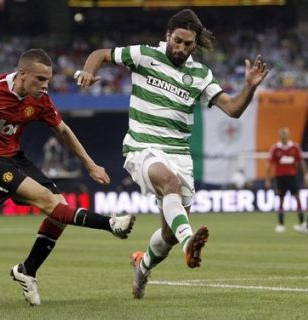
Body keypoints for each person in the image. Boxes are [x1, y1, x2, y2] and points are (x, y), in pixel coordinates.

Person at [75, 9, 268, 299]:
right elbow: (100, 53)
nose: (181, 48)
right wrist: (89, 70)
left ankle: (143, 265)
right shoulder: (144, 55)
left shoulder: (200, 74)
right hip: (143, 147)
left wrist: (249, 88)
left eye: (188, 44)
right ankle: (190, 242)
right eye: (177, 41)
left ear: (194, 44)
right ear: (168, 35)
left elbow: (233, 109)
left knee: (168, 235)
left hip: (179, 154)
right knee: (170, 185)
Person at [0, 48, 135, 306]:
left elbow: (63, 130)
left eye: (48, 79)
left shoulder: (41, 100)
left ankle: (27, 271)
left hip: (15, 157)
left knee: (59, 212)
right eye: (40, 79)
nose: (46, 85)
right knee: (50, 202)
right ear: (22, 75)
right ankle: (110, 224)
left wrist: (90, 164)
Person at [265, 127, 308, 233]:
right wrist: (267, 179)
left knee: (297, 198)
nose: (284, 135)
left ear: (288, 134)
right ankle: (281, 224)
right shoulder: (275, 148)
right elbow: (269, 165)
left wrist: (306, 175)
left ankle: (302, 222)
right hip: (280, 177)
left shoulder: (295, 147)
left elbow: (301, 162)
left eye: (285, 133)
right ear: (279, 135)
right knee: (281, 199)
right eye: (282, 133)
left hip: (292, 177)